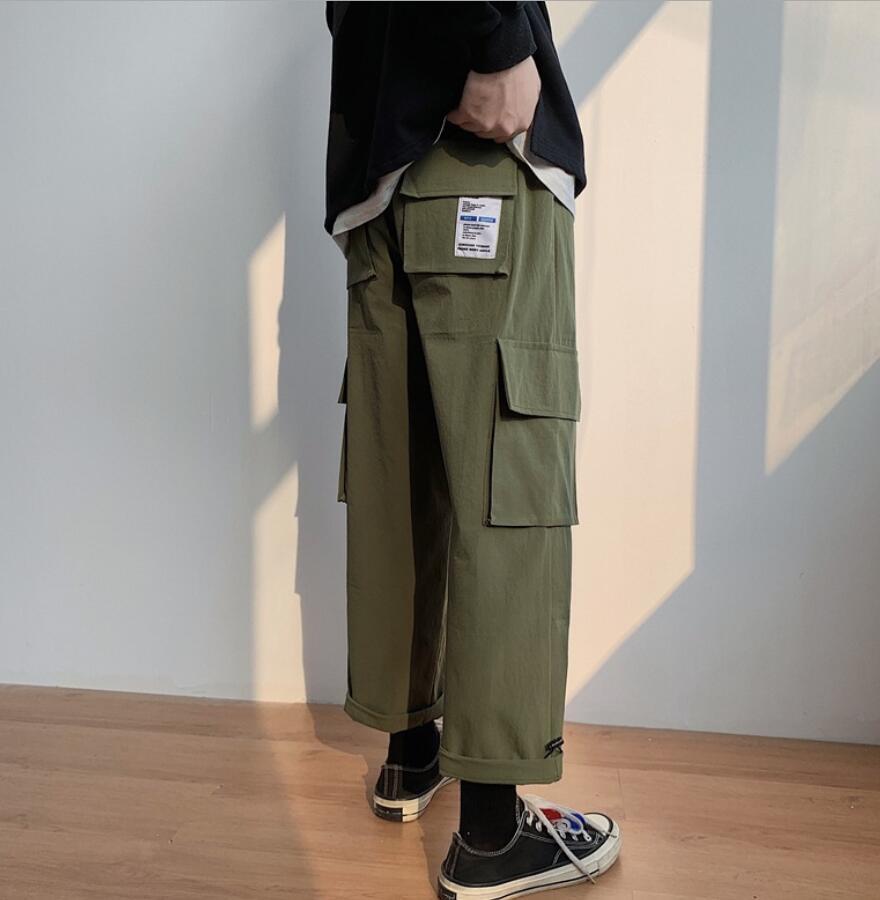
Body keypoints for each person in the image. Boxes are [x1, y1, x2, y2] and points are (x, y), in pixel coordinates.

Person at [324, 4, 621, 897]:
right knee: (506, 484)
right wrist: (497, 37)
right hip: (479, 161)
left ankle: (411, 753)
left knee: (404, 474)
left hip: (376, 179)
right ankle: (491, 835)